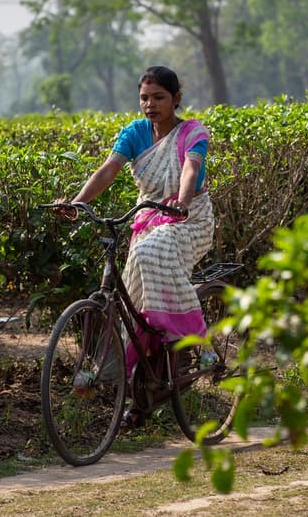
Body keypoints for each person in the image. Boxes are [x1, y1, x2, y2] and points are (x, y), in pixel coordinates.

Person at [56, 65, 214, 427]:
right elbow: (108, 170)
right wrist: (79, 202)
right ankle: (141, 403)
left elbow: (191, 167)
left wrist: (183, 201)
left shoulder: (193, 132)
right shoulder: (135, 133)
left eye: (158, 97)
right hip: (149, 221)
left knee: (148, 253)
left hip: (190, 220)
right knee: (131, 305)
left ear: (175, 99)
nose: (150, 104)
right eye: (144, 97)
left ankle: (196, 339)